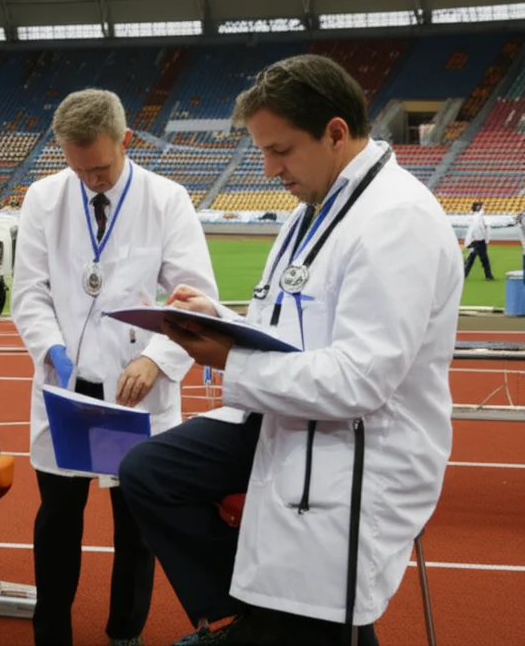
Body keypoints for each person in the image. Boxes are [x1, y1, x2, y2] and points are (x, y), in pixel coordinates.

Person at [117, 54, 464, 645]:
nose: (268, 167)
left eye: (279, 150)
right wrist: (220, 321)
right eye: (263, 151)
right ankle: (252, 615)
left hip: (361, 444)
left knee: (323, 612)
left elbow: (360, 379)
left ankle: (271, 622)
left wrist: (228, 358)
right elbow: (285, 323)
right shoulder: (315, 206)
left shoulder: (395, 220)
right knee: (150, 472)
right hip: (290, 412)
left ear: (334, 132)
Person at [10, 88, 218, 646]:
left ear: (126, 141)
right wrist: (50, 347)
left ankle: (124, 632)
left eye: (100, 167)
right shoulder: (44, 198)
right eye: (77, 168)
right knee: (57, 520)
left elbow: (194, 295)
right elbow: (29, 292)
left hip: (135, 393)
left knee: (137, 523)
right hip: (67, 390)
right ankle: (50, 633)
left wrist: (157, 358)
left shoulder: (166, 199)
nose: (90, 179)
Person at [463, 201, 493, 280]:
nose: (483, 207)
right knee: (482, 259)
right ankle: (488, 275)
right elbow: (480, 228)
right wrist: (486, 239)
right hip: (478, 241)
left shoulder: (476, 217)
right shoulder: (478, 217)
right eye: (481, 206)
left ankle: (464, 274)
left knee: (472, 259)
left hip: (476, 241)